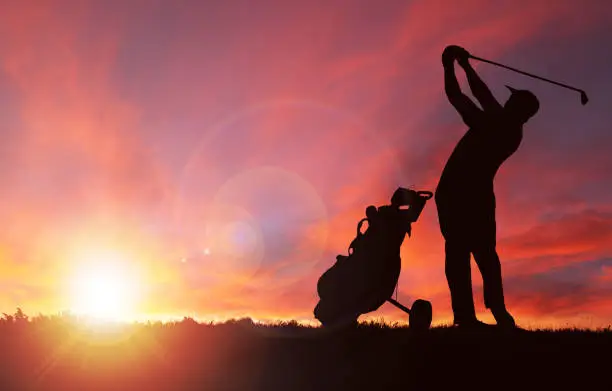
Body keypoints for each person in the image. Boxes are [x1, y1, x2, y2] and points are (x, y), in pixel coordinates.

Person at [435, 45, 540, 328]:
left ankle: (474, 316)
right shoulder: (507, 124)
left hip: (458, 193)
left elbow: (458, 97)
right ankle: (487, 315)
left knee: (464, 253)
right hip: (474, 194)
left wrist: (449, 66)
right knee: (482, 255)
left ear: (518, 110)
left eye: (511, 101)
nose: (504, 102)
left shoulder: (499, 127)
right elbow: (482, 94)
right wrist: (465, 65)